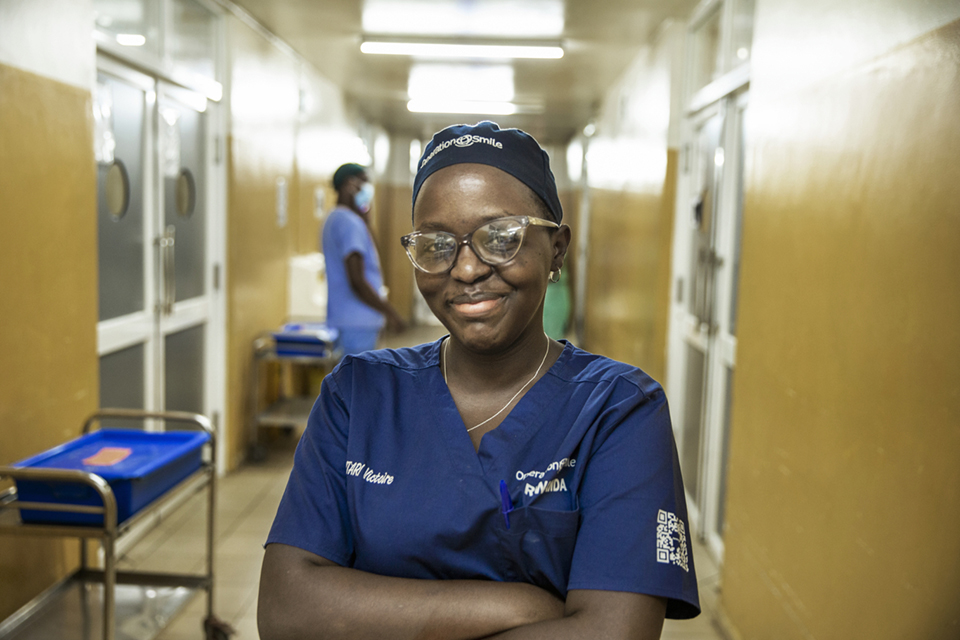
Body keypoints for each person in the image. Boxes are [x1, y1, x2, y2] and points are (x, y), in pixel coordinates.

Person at [260, 122, 700, 639]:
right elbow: (287, 612)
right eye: (436, 244)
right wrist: (522, 606)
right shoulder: (357, 394)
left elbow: (611, 634)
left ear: (556, 248)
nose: (466, 269)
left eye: (500, 237)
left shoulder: (619, 411)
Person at [322, 163, 405, 355]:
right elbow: (357, 280)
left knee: (347, 379)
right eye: (365, 183)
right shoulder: (351, 223)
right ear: (350, 184)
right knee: (358, 381)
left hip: (342, 318)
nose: (368, 190)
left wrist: (365, 221)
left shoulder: (333, 218)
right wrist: (390, 313)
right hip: (359, 322)